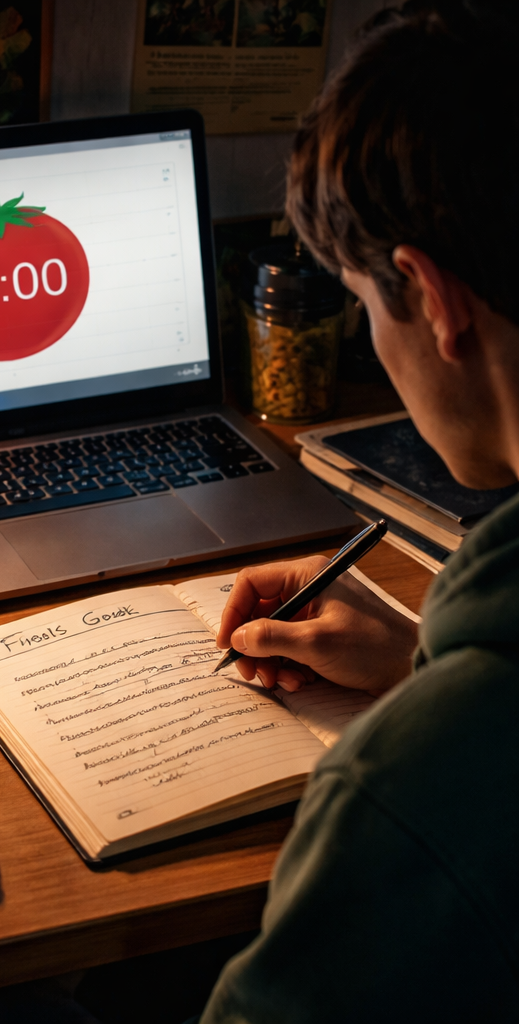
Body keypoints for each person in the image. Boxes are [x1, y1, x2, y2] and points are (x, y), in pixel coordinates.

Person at [197, 1, 519, 1019]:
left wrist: (443, 710)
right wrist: (422, 660)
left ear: (428, 297)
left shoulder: (405, 795)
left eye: (362, 301)